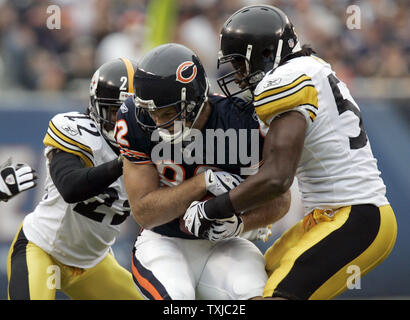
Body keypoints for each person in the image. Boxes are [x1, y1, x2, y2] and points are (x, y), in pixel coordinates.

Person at [183, 5, 397, 300]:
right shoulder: (311, 67)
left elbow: (277, 178)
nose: (239, 76)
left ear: (267, 54)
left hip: (354, 218)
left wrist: (214, 208)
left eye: (240, 65)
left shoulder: (284, 80)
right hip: (333, 216)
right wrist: (242, 219)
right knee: (258, 279)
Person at [115, 43, 291, 300]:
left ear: (195, 100)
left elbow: (281, 200)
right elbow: (144, 213)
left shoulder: (240, 122)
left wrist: (240, 224)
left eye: (166, 112)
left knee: (252, 294)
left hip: (226, 244)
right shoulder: (133, 119)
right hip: (164, 240)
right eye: (150, 112)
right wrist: (202, 183)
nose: (156, 122)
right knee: (175, 300)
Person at [7, 58, 143, 300]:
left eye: (134, 112)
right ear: (96, 107)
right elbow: (71, 187)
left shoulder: (156, 146)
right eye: (116, 111)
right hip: (42, 249)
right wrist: (122, 163)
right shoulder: (77, 130)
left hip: (92, 264)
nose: (124, 121)